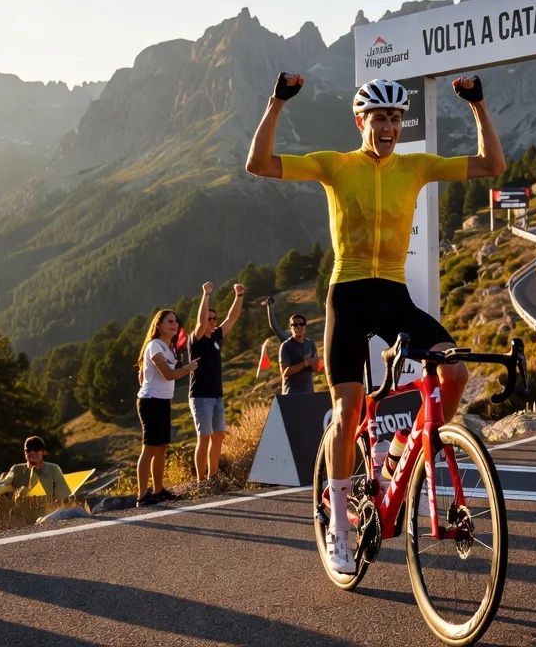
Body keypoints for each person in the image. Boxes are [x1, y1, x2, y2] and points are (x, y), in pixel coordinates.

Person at [246, 72, 504, 575]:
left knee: (454, 375)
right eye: (379, 117)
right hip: (348, 298)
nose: (388, 126)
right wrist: (277, 101)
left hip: (393, 297)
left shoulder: (417, 166)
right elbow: (258, 163)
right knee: (347, 411)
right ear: (360, 120)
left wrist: (479, 105)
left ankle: (398, 461)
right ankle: (339, 528)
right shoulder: (334, 165)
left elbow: (493, 164)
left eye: (395, 118)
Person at [136, 309, 198, 505]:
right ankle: (142, 495)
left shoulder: (167, 347)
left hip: (162, 401)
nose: (174, 325)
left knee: (162, 447)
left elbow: (144, 373)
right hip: (151, 401)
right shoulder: (155, 346)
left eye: (176, 322)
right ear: (159, 325)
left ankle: (159, 490)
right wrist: (188, 369)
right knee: (149, 448)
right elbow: (168, 375)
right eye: (170, 321)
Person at [189, 281, 245, 482]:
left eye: (214, 319)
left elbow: (232, 318)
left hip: (216, 396)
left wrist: (238, 296)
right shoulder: (196, 340)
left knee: (218, 436)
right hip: (201, 396)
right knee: (203, 438)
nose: (213, 322)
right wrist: (206, 295)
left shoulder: (216, 337)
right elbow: (201, 321)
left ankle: (213, 478)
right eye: (210, 319)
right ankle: (200, 482)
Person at [0, 436, 72, 520]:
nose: (32, 452)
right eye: (28, 450)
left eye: (36, 449)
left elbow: (64, 495)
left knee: (76, 512)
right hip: (24, 515)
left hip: (49, 513)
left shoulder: (53, 469)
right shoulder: (17, 469)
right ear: (25, 452)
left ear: (43, 451)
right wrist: (11, 488)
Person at [279, 313, 319, 395]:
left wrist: (315, 362)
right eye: (295, 325)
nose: (299, 327)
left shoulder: (311, 344)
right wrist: (305, 363)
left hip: (309, 392)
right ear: (291, 328)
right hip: (292, 393)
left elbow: (315, 368)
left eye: (301, 324)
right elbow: (285, 373)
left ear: (305, 327)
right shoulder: (286, 346)